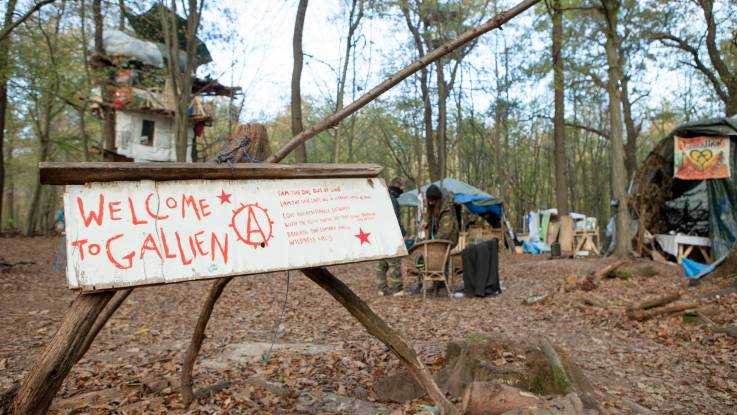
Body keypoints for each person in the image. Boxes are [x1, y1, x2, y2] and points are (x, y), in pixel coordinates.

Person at [377, 177, 406, 296]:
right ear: (398, 186)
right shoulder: (392, 199)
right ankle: (397, 290)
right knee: (394, 262)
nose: (402, 190)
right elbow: (394, 220)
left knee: (381, 262)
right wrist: (403, 233)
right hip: (390, 235)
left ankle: (381, 289)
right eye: (402, 187)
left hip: (380, 234)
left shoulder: (381, 196)